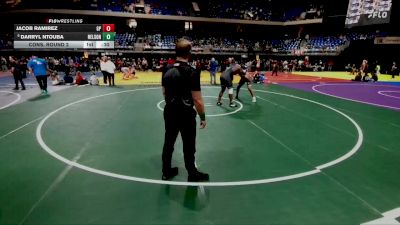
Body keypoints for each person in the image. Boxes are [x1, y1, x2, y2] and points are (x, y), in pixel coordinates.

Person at [161, 38, 209, 182]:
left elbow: (164, 92)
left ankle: (166, 171)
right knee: (188, 144)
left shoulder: (166, 69)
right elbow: (197, 100)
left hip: (169, 112)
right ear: (189, 53)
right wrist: (203, 117)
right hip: (186, 114)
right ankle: (192, 173)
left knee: (168, 142)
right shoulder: (192, 72)